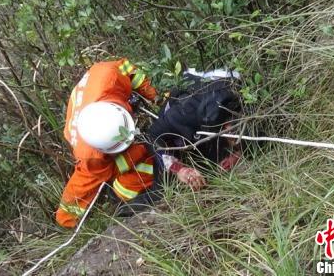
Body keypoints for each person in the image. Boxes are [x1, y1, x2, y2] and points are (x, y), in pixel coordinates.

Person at [115, 68, 248, 216]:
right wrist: (178, 168)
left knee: (214, 166)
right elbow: (152, 137)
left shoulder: (243, 97)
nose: (232, 134)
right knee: (163, 188)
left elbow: (245, 133)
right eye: (227, 131)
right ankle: (126, 210)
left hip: (207, 111)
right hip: (174, 131)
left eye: (231, 129)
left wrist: (236, 154)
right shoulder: (183, 115)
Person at [56, 58, 159, 228]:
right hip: (83, 141)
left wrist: (154, 96)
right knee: (84, 187)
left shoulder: (109, 76)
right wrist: (139, 151)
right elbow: (107, 171)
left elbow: (128, 68)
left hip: (95, 97)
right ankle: (112, 199)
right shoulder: (91, 156)